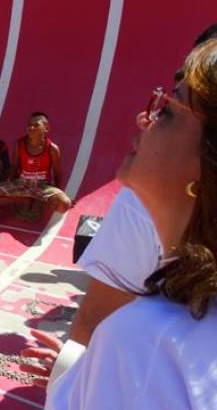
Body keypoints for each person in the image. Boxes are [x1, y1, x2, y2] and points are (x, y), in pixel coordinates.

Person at [21, 40, 217, 409]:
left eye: (169, 109)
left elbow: (93, 323)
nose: (146, 119)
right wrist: (81, 368)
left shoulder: (145, 341)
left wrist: (86, 374)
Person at [0, 111, 72, 219]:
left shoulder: (52, 149)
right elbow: (14, 167)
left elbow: (58, 174)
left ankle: (39, 202)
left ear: (46, 129)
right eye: (29, 125)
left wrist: (57, 194)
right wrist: (9, 190)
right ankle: (25, 200)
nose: (31, 128)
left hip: (43, 186)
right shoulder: (19, 144)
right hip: (22, 183)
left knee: (64, 205)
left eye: (36, 125)